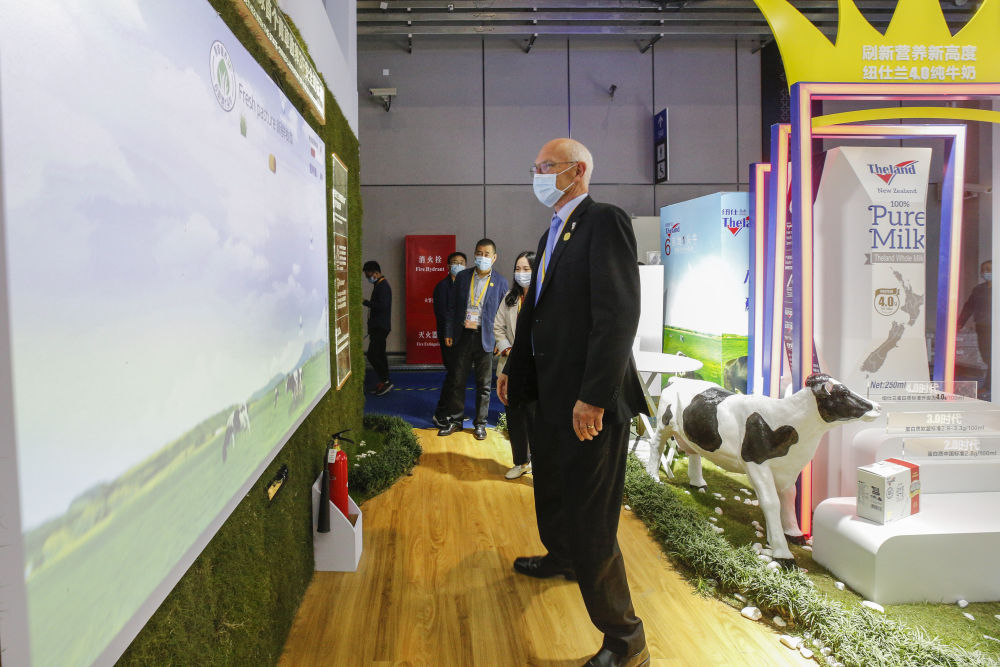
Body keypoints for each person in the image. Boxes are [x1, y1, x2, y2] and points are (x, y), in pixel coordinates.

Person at [497, 138, 649, 667]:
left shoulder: (604, 221)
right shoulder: (551, 234)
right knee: (553, 492)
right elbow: (536, 314)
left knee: (591, 520)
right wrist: (514, 371)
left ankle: (626, 640)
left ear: (577, 170)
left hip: (589, 404)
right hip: (550, 396)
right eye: (536, 166)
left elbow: (618, 315)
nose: (537, 175)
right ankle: (561, 558)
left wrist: (594, 396)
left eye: (546, 167)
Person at [435, 239, 509, 440]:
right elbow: (452, 307)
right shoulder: (462, 277)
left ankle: (480, 424)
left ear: (494, 257)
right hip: (463, 335)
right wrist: (448, 332)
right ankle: (455, 420)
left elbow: (503, 314)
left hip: (486, 338)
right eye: (479, 253)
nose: (482, 257)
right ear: (475, 254)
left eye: (487, 254)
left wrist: (500, 341)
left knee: (484, 385)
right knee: (457, 380)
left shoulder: (501, 282)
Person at [493, 251, 536, 479]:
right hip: (510, 365)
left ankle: (539, 463)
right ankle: (520, 461)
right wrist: (509, 350)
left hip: (536, 368)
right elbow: (498, 327)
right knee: (515, 416)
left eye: (526, 269)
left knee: (535, 418)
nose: (521, 273)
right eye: (518, 269)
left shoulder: (542, 297)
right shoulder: (510, 297)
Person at [959, 259, 992, 394]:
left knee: (993, 357)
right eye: (983, 270)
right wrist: (960, 322)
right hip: (982, 327)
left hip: (995, 328)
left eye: (989, 269)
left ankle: (989, 386)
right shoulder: (978, 289)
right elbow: (969, 306)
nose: (985, 272)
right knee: (986, 357)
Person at [362, 260, 393, 396]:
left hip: (380, 326)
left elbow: (382, 306)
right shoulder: (379, 285)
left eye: (368, 275)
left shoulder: (383, 286)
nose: (368, 278)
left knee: (372, 355)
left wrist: (365, 302)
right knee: (379, 354)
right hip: (378, 326)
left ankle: (385, 381)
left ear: (376, 273)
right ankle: (384, 381)